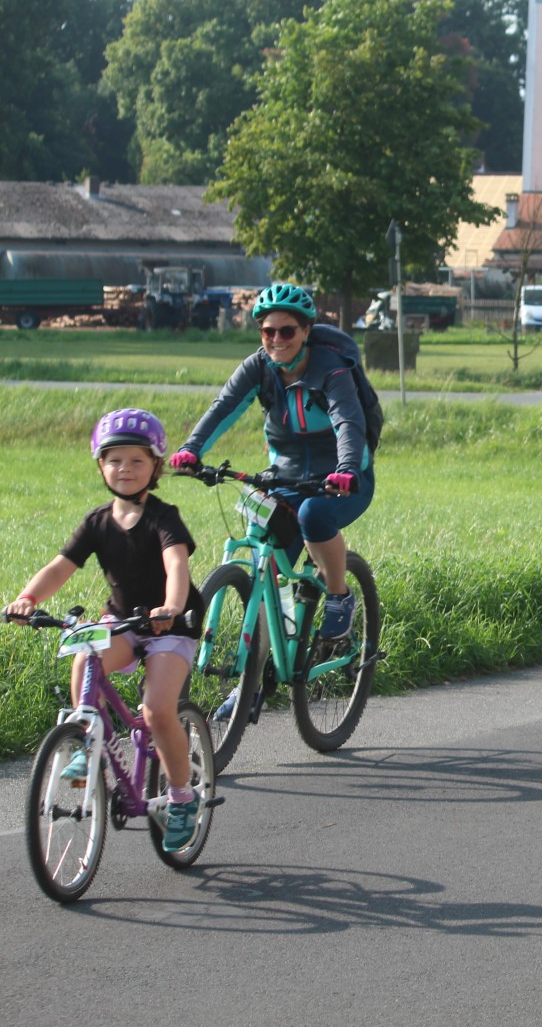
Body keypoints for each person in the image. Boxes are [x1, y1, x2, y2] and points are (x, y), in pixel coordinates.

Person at [6, 409, 206, 852]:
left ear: (156, 466)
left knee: (157, 710)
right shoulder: (97, 521)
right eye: (114, 460)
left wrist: (171, 606)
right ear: (100, 466)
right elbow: (60, 567)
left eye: (136, 461)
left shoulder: (164, 518)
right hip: (123, 620)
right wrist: (27, 599)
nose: (125, 469)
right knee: (86, 660)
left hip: (170, 625)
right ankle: (87, 745)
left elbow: (176, 564)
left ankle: (181, 797)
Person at [169, 283, 374, 640]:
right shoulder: (258, 367)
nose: (277, 339)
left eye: (287, 331)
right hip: (286, 476)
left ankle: (339, 595)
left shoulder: (332, 369)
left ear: (306, 331)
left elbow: (347, 422)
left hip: (343, 477)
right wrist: (192, 449)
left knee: (313, 515)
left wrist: (346, 469)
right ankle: (264, 664)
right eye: (268, 331)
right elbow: (224, 407)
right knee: (265, 559)